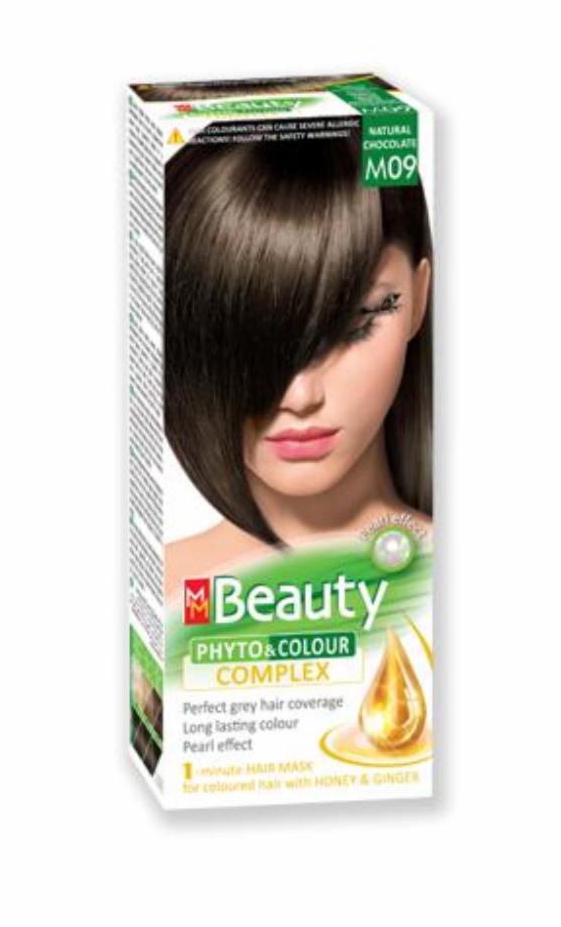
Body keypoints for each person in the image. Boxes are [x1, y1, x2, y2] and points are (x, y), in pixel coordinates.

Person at [162, 133, 433, 599]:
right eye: (246, 337)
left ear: (420, 295)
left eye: (356, 325)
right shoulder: (158, 596)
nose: (300, 396)